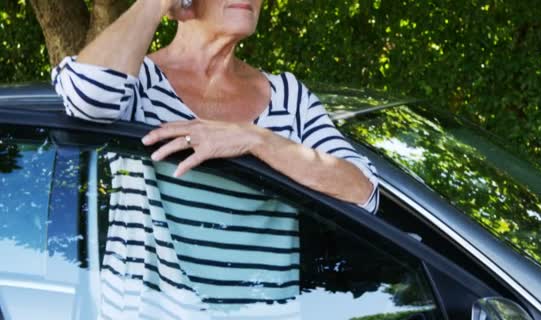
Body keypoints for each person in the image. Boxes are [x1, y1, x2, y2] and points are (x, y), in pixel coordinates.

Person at [52, 0, 379, 318]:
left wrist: (255, 139)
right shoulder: (140, 82)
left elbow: (362, 193)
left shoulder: (288, 97)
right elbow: (88, 97)